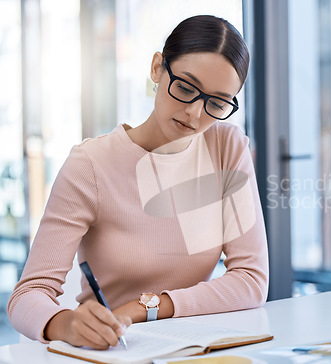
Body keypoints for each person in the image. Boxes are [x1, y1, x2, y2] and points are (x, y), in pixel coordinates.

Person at [7, 15, 268, 350]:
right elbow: (27, 296)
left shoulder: (226, 148)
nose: (194, 114)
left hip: (191, 348)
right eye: (186, 88)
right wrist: (67, 324)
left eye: (216, 103)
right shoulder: (90, 164)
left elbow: (251, 279)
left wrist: (146, 307)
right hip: (114, 349)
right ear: (157, 68)